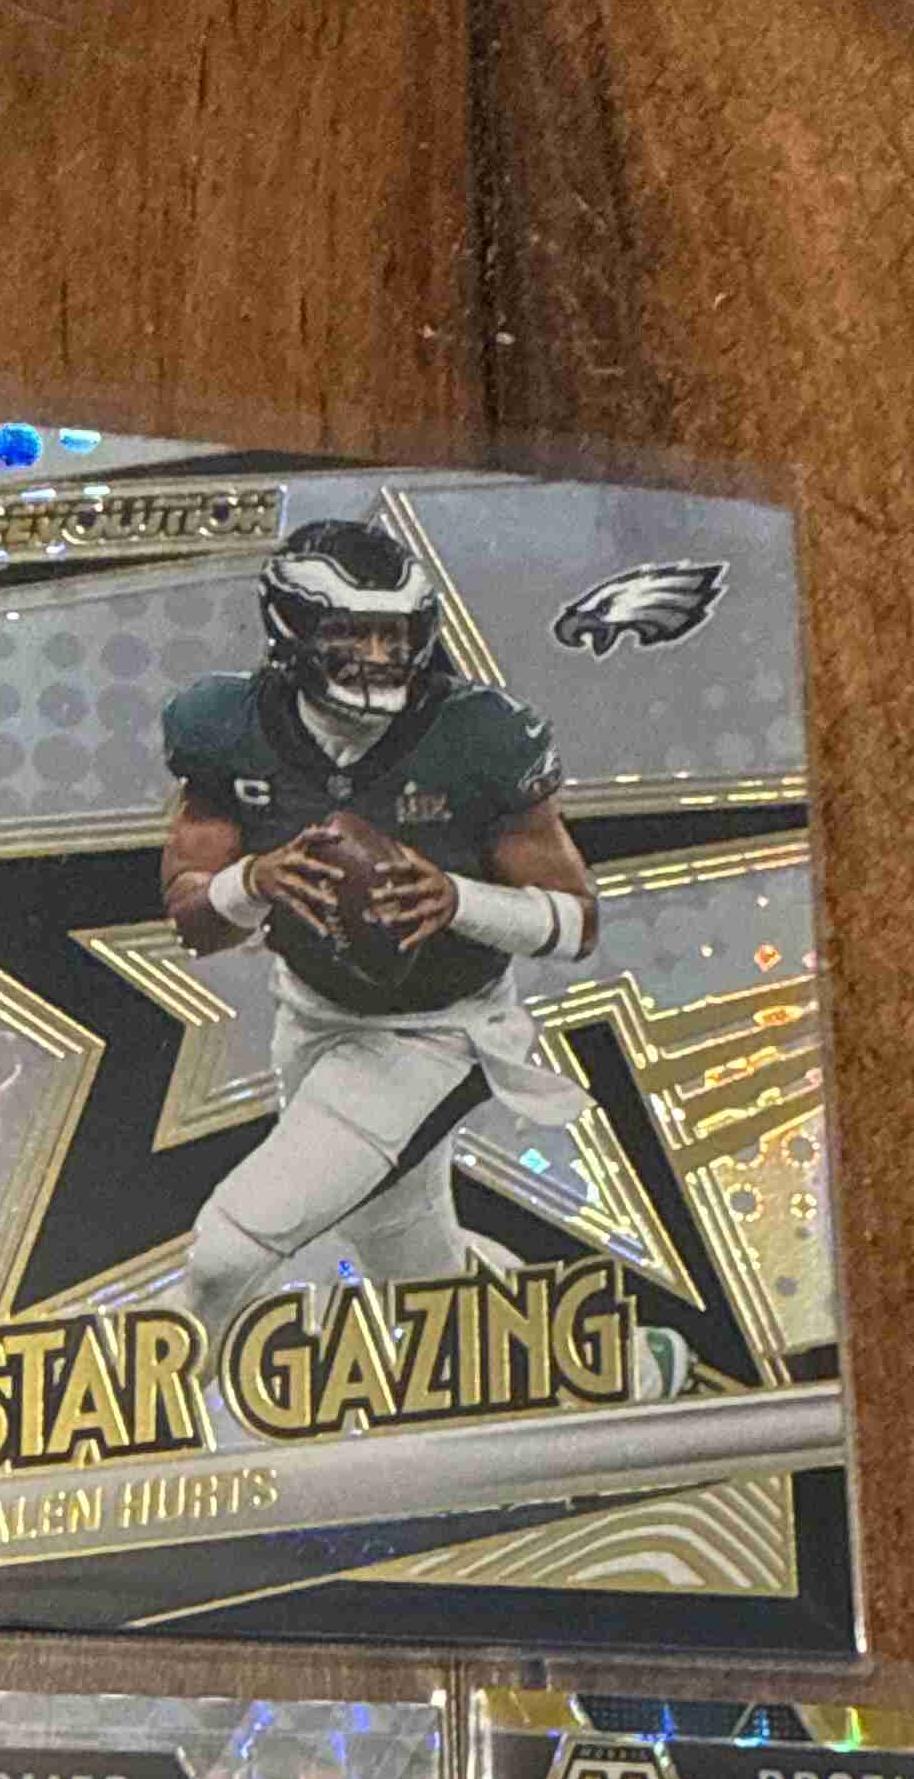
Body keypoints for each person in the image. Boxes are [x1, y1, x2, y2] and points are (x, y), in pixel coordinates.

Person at [157, 518, 681, 1387]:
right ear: (290, 628)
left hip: (439, 1032)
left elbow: (575, 923)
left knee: (231, 1245)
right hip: (311, 1018)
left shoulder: (478, 736)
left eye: (393, 636)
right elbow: (191, 917)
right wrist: (255, 880)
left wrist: (456, 899)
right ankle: (618, 1368)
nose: (377, 656)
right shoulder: (226, 726)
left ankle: (135, 1409)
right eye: (350, 634)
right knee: (414, 1272)